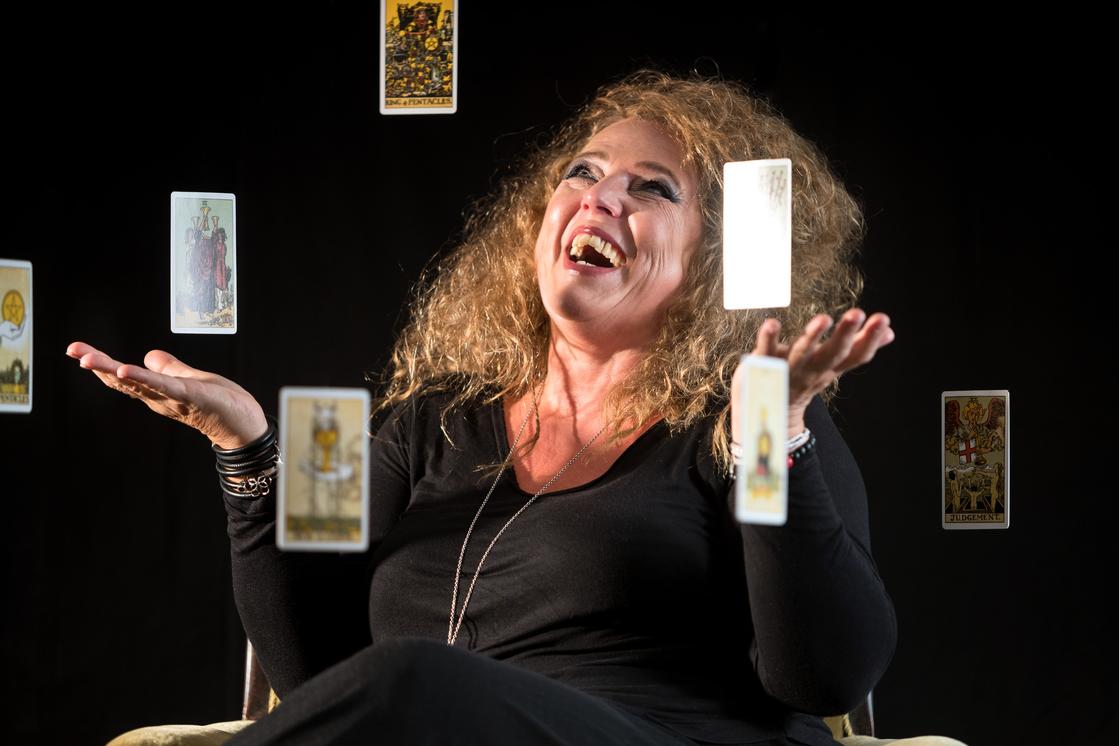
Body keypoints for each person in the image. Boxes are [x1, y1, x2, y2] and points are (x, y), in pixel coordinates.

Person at [69, 71, 899, 745]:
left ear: (709, 264)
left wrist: (773, 430)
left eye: (651, 189)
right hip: (434, 727)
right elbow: (313, 673)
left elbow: (823, 678)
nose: (599, 197)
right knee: (404, 684)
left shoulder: (748, 416)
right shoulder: (428, 416)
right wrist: (245, 446)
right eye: (581, 172)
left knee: (413, 677)